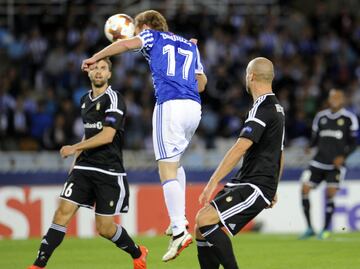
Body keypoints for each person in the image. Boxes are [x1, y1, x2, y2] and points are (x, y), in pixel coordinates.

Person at [82, 10, 207, 261]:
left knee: (166, 169)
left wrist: (96, 56)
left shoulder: (151, 36)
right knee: (176, 163)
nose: (137, 34)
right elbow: (202, 84)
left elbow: (128, 44)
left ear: (147, 26)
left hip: (170, 106)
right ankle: (178, 220)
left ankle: (179, 231)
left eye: (137, 29)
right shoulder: (190, 45)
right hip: (194, 109)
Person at [27, 58, 148, 269]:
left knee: (104, 228)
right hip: (84, 168)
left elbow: (108, 135)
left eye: (103, 68)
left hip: (108, 170)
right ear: (89, 74)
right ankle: (38, 265)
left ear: (109, 74)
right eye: (95, 69)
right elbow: (88, 133)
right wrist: (75, 161)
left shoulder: (115, 99)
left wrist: (73, 148)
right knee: (61, 212)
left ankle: (137, 252)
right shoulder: (84, 100)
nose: (99, 72)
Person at [195, 57, 285, 269]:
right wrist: (274, 187)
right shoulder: (276, 108)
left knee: (205, 219)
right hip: (251, 181)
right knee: (201, 229)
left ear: (250, 76)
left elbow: (239, 148)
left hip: (255, 183)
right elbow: (279, 153)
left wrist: (212, 182)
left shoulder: (262, 109)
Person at [299, 88, 359, 240]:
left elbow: (354, 143)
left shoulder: (349, 118)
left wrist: (343, 156)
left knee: (330, 193)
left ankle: (325, 230)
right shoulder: (321, 117)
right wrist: (310, 146)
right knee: (305, 189)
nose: (334, 100)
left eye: (338, 97)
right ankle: (310, 228)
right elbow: (315, 138)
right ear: (329, 99)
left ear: (343, 100)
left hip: (335, 164)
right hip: (318, 161)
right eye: (332, 97)